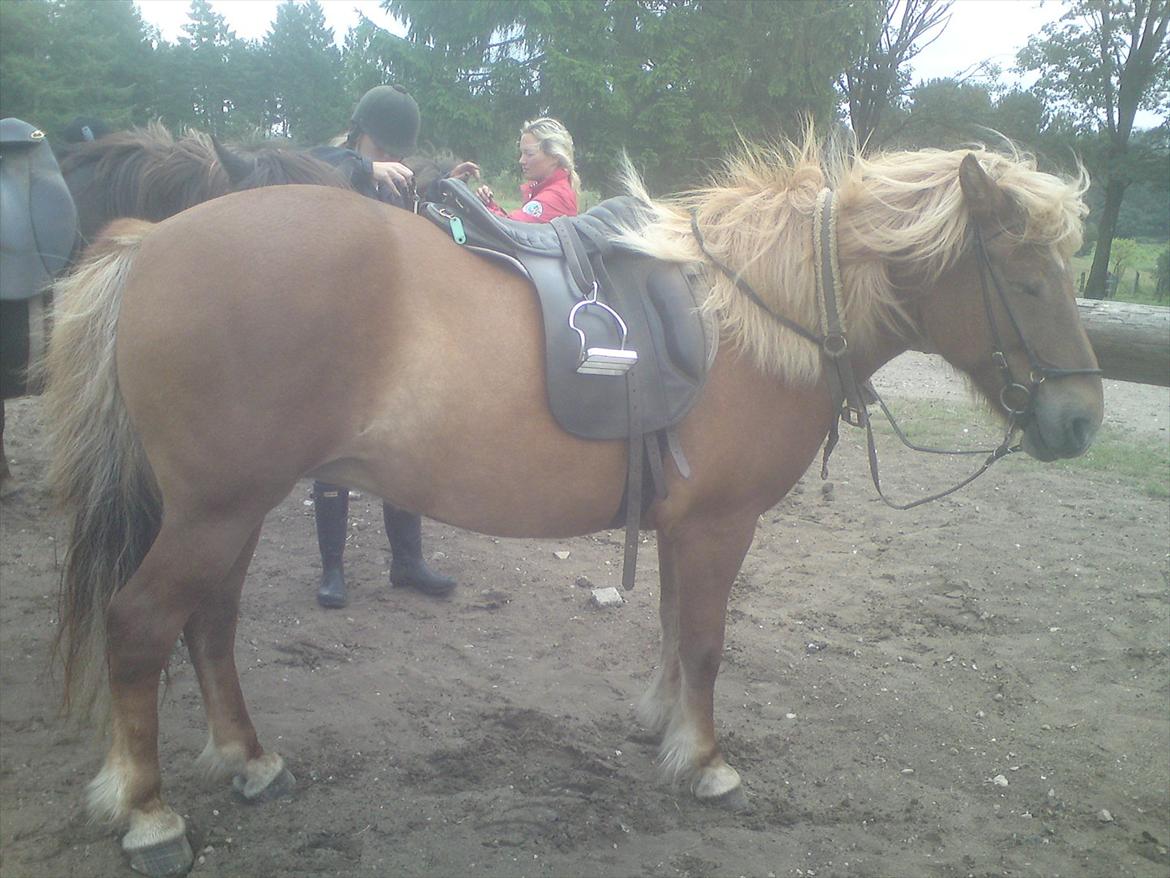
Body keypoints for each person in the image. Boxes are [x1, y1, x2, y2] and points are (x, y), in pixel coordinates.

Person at [308, 84, 478, 609]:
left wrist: (444, 183)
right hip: (336, 329)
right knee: (329, 454)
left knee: (404, 446)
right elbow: (309, 161)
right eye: (381, 148)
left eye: (395, 152)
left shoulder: (394, 177)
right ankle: (332, 569)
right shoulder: (330, 165)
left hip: (390, 331)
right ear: (358, 134)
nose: (390, 159)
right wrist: (366, 168)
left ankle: (407, 561)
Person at [475, 117, 579, 222]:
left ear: (554, 157)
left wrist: (475, 206)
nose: (521, 160)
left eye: (529, 154)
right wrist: (488, 204)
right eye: (522, 154)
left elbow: (508, 227)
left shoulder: (556, 197)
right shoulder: (552, 190)